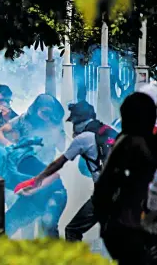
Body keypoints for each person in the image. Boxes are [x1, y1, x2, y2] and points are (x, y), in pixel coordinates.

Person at [18, 100, 118, 242]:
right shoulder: (108, 131)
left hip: (105, 194)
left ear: (78, 121)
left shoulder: (83, 139)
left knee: (72, 230)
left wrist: (37, 179)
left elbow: (58, 164)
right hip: (123, 192)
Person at [93, 92, 157, 264]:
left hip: (127, 229)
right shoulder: (135, 144)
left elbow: (102, 191)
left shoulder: (126, 142)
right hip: (133, 230)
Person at [0, 94, 67, 238]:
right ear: (36, 109)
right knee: (25, 217)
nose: (46, 116)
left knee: (47, 221)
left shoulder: (55, 123)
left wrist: (55, 128)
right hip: (26, 172)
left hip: (46, 174)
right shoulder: (23, 120)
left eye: (49, 113)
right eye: (44, 112)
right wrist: (11, 146)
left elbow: (62, 146)